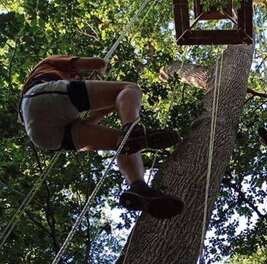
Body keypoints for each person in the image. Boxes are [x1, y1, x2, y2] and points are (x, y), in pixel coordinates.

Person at [20, 55, 184, 219]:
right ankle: (132, 130)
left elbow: (89, 121)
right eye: (76, 77)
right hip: (41, 97)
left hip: (42, 136)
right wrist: (100, 71)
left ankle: (138, 186)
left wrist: (112, 101)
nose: (77, 78)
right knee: (130, 88)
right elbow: (98, 63)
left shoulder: (60, 97)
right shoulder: (47, 64)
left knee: (122, 143)